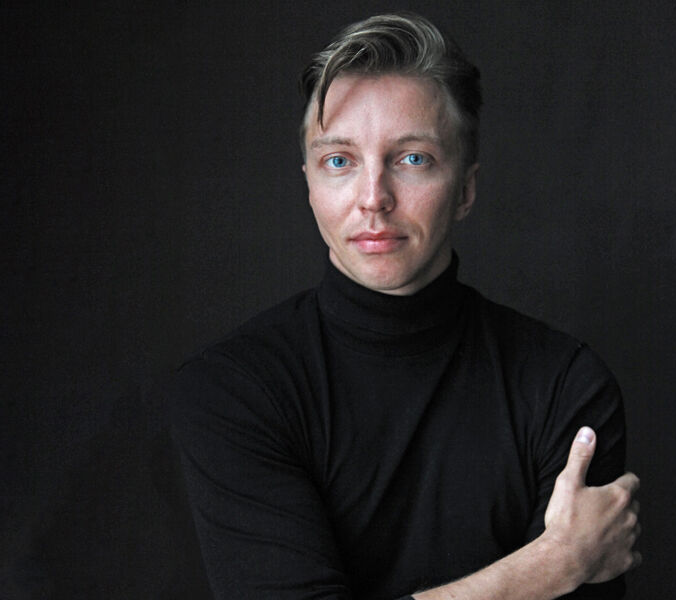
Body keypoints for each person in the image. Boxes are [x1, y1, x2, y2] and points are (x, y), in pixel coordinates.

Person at [169, 12, 641, 600]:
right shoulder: (233, 389)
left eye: (412, 158)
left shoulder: (564, 385)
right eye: (339, 161)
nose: (374, 199)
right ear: (309, 184)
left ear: (465, 189)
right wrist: (550, 566)